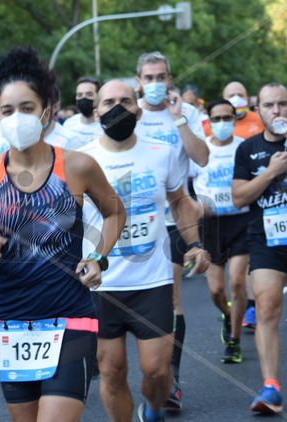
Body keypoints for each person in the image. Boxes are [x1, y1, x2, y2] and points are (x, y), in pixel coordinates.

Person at [0, 46, 125, 422]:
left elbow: (115, 212)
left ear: (46, 112)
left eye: (27, 108)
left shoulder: (78, 165)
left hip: (69, 318)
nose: (17, 118)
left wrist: (99, 257)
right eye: (7, 110)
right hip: (7, 322)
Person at [80, 79, 209, 422]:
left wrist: (194, 243)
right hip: (102, 284)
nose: (117, 107)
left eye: (125, 100)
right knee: (111, 371)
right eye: (109, 102)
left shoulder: (160, 152)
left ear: (137, 109)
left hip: (152, 279)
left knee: (156, 370)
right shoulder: (81, 160)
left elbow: (180, 201)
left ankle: (152, 409)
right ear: (97, 112)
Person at [133, 51, 209, 412]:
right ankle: (150, 372)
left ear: (170, 78)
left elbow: (203, 158)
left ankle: (170, 378)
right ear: (138, 82)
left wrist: (179, 120)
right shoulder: (129, 114)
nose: (155, 84)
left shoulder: (188, 114)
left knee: (172, 301)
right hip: (136, 220)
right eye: (148, 78)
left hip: (176, 218)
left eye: (160, 77)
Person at [231, 82, 287, 415]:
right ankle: (271, 386)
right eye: (269, 105)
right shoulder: (248, 149)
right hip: (266, 240)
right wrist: (271, 171)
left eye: (282, 104)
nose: (277, 111)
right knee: (268, 307)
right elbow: (239, 196)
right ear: (258, 110)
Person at [191, 99, 250, 364]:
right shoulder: (201, 151)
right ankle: (227, 314)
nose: (222, 123)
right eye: (217, 118)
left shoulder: (243, 148)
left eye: (227, 117)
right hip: (211, 225)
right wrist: (194, 207)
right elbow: (182, 185)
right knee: (216, 290)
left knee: (237, 282)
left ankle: (235, 341)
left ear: (235, 119)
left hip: (241, 222)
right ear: (209, 121)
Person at [63, 76, 102, 144]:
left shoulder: (106, 127)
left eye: (89, 94)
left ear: (99, 97)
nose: (83, 97)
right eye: (79, 95)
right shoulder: (68, 124)